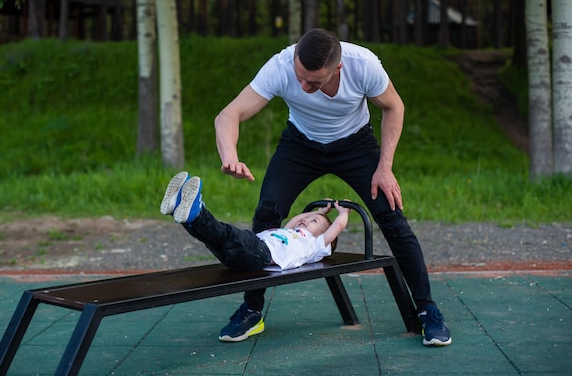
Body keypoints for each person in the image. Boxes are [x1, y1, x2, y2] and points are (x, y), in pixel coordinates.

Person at [213, 28, 452, 347]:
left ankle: (427, 310)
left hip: (356, 145)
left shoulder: (362, 64)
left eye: (313, 81)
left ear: (337, 68)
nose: (302, 86)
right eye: (299, 77)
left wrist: (385, 167)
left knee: (392, 217)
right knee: (267, 214)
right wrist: (230, 156)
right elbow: (229, 114)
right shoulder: (281, 65)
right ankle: (252, 308)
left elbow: (394, 107)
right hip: (300, 145)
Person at [160, 171, 351, 341]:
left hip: (262, 253)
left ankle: (197, 211)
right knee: (211, 238)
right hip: (252, 248)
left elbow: (337, 226)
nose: (305, 219)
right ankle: (182, 213)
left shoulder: (315, 244)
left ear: (324, 238)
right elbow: (295, 219)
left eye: (313, 221)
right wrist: (319, 212)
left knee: (226, 233)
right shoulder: (290, 232)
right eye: (306, 217)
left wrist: (343, 212)